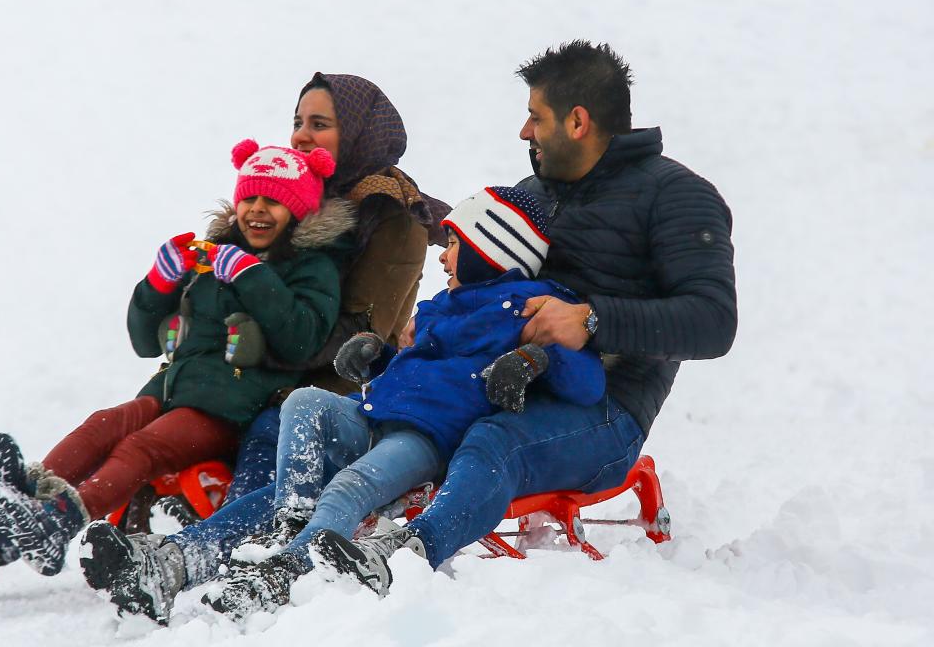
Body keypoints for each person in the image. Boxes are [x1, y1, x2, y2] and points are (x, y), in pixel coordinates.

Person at [310, 40, 738, 596]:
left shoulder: (678, 198)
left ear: (578, 121)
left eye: (536, 116)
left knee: (496, 440)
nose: (524, 131)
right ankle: (231, 548)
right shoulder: (534, 195)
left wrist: (590, 320)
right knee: (341, 418)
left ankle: (403, 557)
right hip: (489, 385)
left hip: (604, 407)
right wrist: (435, 325)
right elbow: (482, 275)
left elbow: (713, 322)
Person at [77, 186, 607, 622]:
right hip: (376, 416)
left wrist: (538, 360)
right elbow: (421, 368)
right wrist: (376, 360)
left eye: (454, 243)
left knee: (350, 487)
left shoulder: (535, 307)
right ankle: (200, 555)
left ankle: (285, 572)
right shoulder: (443, 306)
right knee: (305, 403)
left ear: (490, 250)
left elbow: (586, 382)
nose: (443, 255)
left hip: (424, 440)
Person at [0, 139, 356, 605]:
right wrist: (157, 284)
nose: (257, 211)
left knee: (142, 448)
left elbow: (303, 338)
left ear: (298, 209)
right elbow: (143, 341)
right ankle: (7, 518)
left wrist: (249, 274)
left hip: (231, 408)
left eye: (274, 201)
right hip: (170, 390)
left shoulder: (312, 267)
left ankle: (57, 520)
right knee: (102, 424)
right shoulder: (216, 254)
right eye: (250, 198)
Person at [219, 73, 448, 502]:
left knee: (268, 427)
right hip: (277, 365)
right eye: (298, 121)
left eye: (319, 124)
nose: (301, 136)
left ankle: (240, 537)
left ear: (359, 134)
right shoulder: (289, 196)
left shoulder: (392, 218)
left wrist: (263, 352)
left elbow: (363, 334)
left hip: (340, 383)